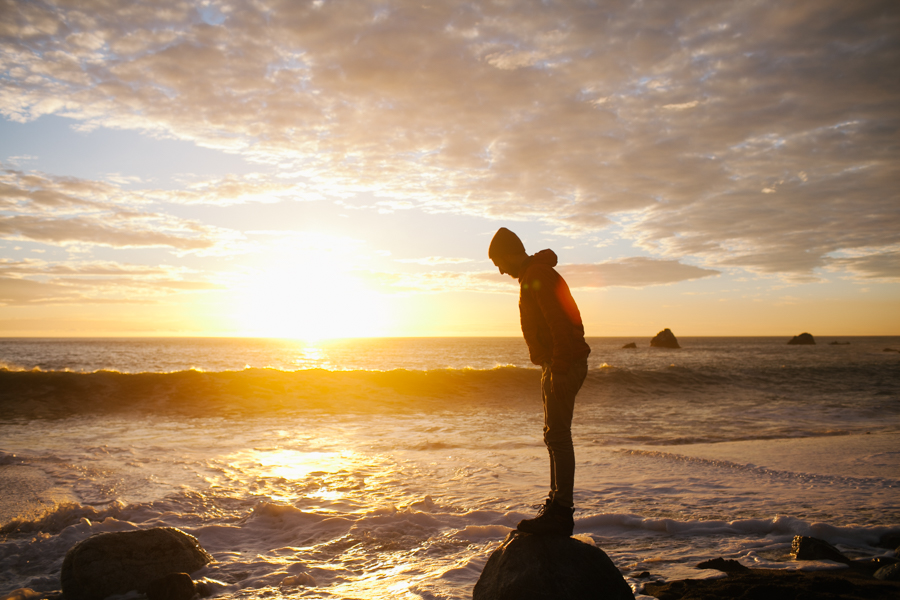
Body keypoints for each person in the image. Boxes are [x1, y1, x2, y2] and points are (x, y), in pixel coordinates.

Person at [488, 227, 591, 536]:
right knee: (554, 435)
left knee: (558, 437)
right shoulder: (536, 273)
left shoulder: (537, 275)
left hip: (564, 362)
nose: (500, 270)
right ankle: (556, 505)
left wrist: (558, 368)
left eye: (498, 263)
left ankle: (561, 512)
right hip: (558, 362)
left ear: (508, 254)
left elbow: (558, 322)